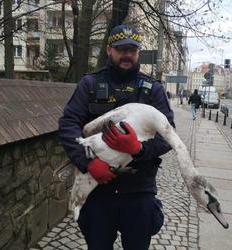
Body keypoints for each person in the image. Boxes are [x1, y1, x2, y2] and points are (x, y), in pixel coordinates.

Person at [58, 24, 175, 250]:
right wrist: (88, 162)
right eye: (121, 49)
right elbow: (68, 125)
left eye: (132, 49)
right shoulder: (90, 85)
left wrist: (139, 150)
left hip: (139, 191)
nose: (127, 55)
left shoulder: (152, 90)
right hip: (99, 191)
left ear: (138, 52)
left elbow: (168, 136)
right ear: (109, 50)